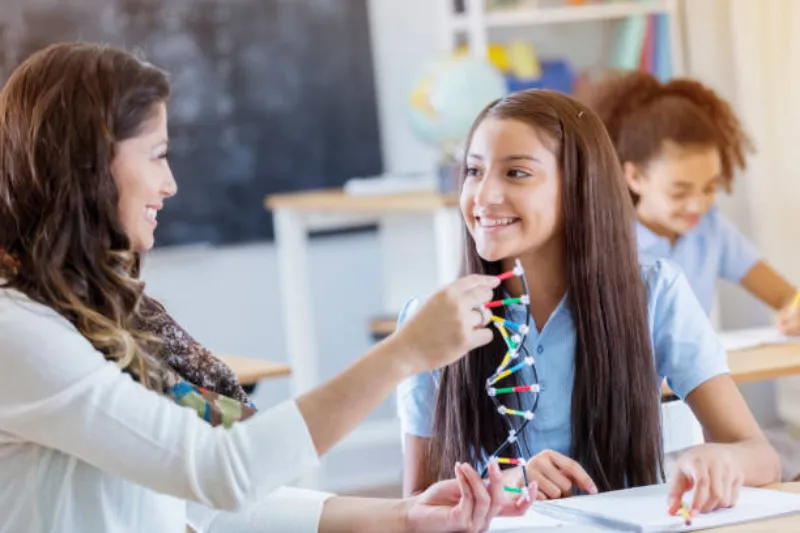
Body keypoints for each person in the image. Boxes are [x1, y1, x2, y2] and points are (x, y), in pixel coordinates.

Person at [0, 42, 534, 533]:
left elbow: (199, 503)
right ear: (92, 165)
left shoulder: (99, 316)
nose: (170, 183)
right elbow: (221, 472)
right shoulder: (18, 331)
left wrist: (402, 516)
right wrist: (404, 354)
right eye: (158, 154)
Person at [396, 89, 781, 518]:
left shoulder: (655, 292)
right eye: (473, 171)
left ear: (580, 185)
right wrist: (502, 487)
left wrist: (722, 461)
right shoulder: (427, 323)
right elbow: (414, 508)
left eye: (516, 173)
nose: (483, 196)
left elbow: (760, 456)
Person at [579, 70, 800, 334]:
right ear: (635, 177)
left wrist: (794, 312)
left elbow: (785, 296)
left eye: (710, 187)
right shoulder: (604, 242)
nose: (698, 206)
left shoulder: (711, 229)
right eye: (679, 193)